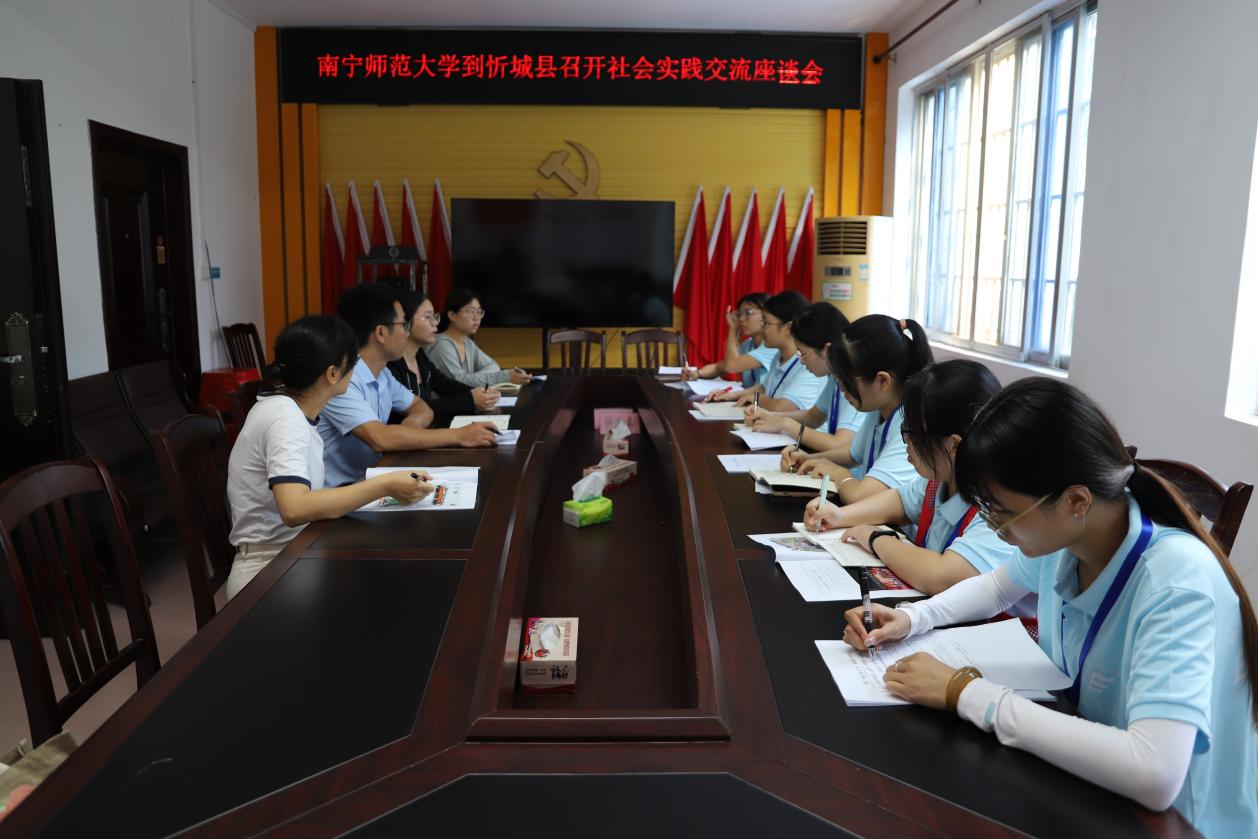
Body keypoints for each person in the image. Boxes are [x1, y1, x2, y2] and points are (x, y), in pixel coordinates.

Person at [842, 379, 1258, 837]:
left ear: (1076, 500)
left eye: (1002, 513)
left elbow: (1155, 772)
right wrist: (912, 618)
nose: (995, 529)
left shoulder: (1175, 581)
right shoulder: (1072, 539)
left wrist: (966, 692)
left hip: (1176, 822)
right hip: (1090, 783)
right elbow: (996, 588)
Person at [226, 315, 435, 598]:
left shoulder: (291, 409)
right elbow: (295, 508)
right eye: (354, 362)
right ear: (333, 374)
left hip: (298, 550)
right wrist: (384, 485)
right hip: (268, 568)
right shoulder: (285, 417)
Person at [800, 360, 1017, 596]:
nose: (906, 442)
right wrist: (839, 516)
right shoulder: (940, 481)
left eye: (913, 432)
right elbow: (901, 501)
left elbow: (940, 576)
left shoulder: (999, 510)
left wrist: (875, 537)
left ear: (954, 444)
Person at [319, 284, 498, 487]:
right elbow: (380, 438)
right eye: (404, 325)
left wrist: (412, 425)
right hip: (339, 492)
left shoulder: (383, 373)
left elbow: (420, 407)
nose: (407, 332)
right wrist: (459, 435)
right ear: (381, 333)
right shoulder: (342, 379)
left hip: (372, 478)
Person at [786, 314, 932, 502]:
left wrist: (836, 471)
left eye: (845, 381)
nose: (841, 389)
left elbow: (860, 495)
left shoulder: (913, 424)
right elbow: (853, 454)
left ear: (882, 380)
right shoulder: (879, 406)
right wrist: (810, 459)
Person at [743, 302, 868, 454]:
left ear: (826, 350)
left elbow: (837, 444)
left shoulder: (856, 383)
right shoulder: (835, 377)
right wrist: (770, 416)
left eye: (803, 353)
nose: (801, 361)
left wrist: (786, 424)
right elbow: (813, 417)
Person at [387, 288, 500, 418]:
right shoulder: (391, 364)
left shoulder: (419, 356)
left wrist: (479, 393)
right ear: (405, 322)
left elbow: (444, 384)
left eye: (435, 317)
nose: (435, 323)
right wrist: (470, 399)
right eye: (428, 317)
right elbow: (419, 407)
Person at [705, 290, 825, 412]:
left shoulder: (810, 364)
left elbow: (783, 407)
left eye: (766, 323)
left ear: (788, 328)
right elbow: (764, 387)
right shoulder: (778, 356)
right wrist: (732, 395)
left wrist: (757, 398)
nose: (762, 328)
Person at [425, 287, 532, 388]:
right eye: (471, 312)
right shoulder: (441, 345)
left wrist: (473, 379)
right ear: (452, 315)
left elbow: (493, 366)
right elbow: (459, 382)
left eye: (479, 312)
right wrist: (505, 376)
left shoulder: (467, 343)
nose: (477, 318)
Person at [680, 293, 777, 388]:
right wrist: (696, 373)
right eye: (739, 314)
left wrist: (732, 329)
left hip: (764, 399)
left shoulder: (772, 347)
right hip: (751, 397)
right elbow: (720, 367)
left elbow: (731, 366)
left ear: (766, 315)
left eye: (748, 313)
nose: (741, 319)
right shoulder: (748, 345)